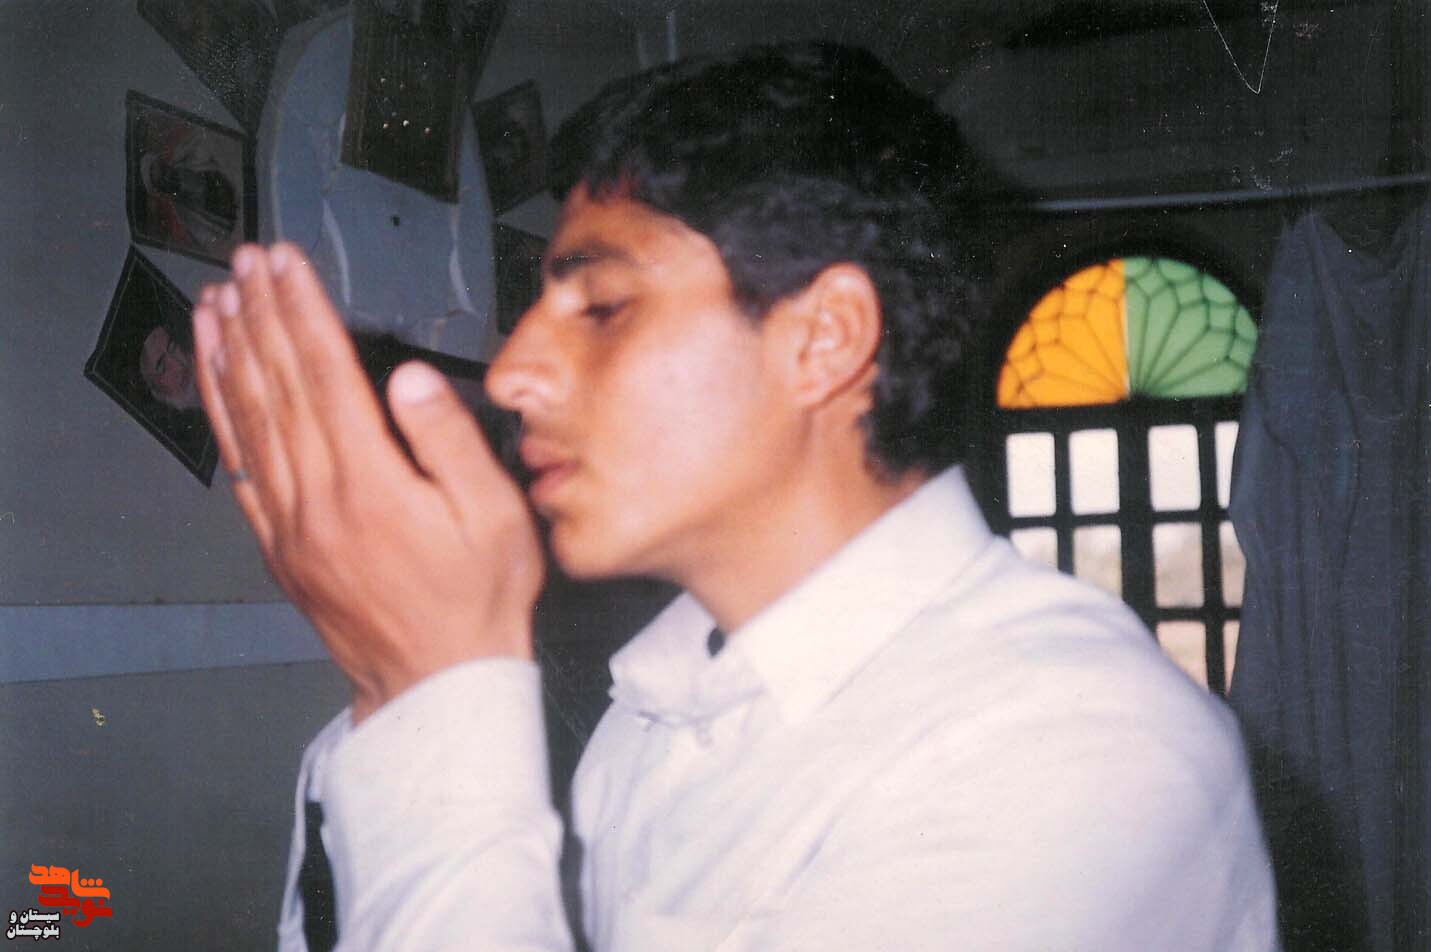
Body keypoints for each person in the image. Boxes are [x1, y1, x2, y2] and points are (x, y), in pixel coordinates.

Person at [190, 43, 1278, 951]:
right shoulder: (651, 715)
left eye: (603, 305)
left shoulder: (1072, 750)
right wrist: (396, 683)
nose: (511, 372)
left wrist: (438, 687)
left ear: (824, 339)